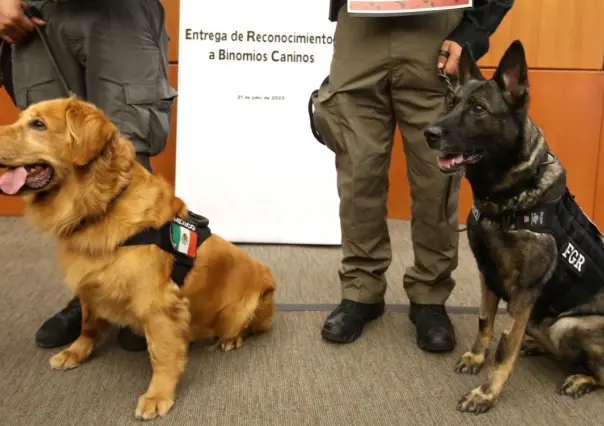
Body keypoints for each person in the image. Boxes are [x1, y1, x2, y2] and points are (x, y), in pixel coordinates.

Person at [311, 0, 514, 351]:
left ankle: (429, 296)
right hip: (360, 29)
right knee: (358, 172)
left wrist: (473, 31)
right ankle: (362, 289)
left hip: (436, 31)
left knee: (436, 178)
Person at [0, 0, 177, 351]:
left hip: (121, 13)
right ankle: (89, 297)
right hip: (38, 12)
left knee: (128, 145)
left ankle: (144, 291)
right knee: (47, 153)